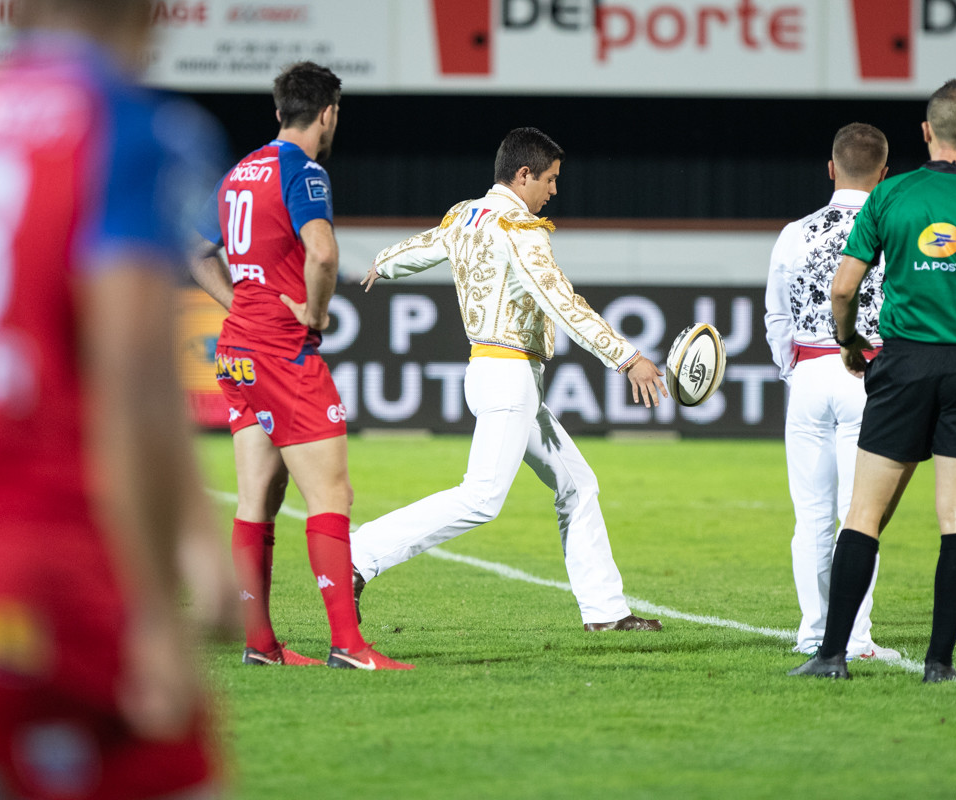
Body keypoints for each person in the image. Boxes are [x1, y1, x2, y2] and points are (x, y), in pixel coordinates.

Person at [0, 0, 237, 796]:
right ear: (154, 16)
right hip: (51, 561)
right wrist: (160, 602)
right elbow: (134, 376)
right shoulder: (129, 129)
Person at [350, 127, 667, 632]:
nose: (554, 191)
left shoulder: (465, 214)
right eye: (550, 179)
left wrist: (383, 264)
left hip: (493, 372)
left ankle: (606, 614)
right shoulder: (519, 226)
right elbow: (561, 301)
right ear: (523, 175)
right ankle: (359, 553)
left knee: (578, 486)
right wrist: (627, 357)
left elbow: (424, 246)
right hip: (509, 376)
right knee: (481, 498)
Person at [789, 79, 956, 682]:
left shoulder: (891, 194)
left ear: (925, 132)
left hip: (902, 365)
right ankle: (940, 664)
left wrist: (851, 345)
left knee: (863, 515)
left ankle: (830, 656)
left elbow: (843, 289)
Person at [191, 62, 412, 671]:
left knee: (256, 496)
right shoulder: (303, 171)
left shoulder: (239, 173)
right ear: (328, 113)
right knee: (331, 493)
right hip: (282, 354)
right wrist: (314, 315)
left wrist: (240, 304)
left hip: (236, 350)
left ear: (279, 110)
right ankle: (350, 644)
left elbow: (195, 253)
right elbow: (322, 252)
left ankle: (260, 645)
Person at [765, 123, 900, 662]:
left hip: (810, 375)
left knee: (812, 515)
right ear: (884, 174)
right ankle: (857, 639)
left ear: (831, 168)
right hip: (870, 376)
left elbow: (776, 314)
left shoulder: (794, 232)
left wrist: (793, 372)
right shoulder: (894, 229)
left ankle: (814, 631)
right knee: (859, 513)